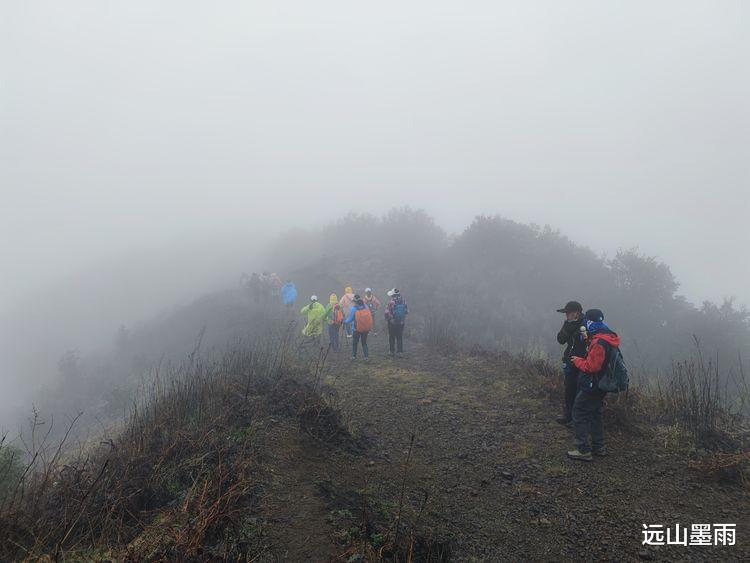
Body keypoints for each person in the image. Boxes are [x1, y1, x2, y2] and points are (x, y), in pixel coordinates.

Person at [567, 309, 620, 462]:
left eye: (587, 321)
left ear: (590, 322)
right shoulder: (608, 337)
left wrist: (577, 361)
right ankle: (599, 447)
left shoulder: (599, 342)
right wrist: (588, 341)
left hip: (593, 384)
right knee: (595, 414)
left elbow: (592, 367)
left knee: (579, 411)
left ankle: (582, 449)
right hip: (601, 384)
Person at [555, 301, 586, 426]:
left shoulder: (586, 325)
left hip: (582, 363)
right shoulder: (568, 324)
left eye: (568, 313)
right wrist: (567, 327)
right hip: (569, 362)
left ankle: (577, 420)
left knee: (580, 392)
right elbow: (560, 340)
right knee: (569, 390)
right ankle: (568, 416)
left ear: (576, 313)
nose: (566, 315)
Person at [345, 295, 373, 361]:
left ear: (355, 301)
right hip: (365, 328)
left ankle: (354, 356)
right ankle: (366, 357)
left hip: (356, 329)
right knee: (364, 343)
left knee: (355, 342)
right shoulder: (366, 306)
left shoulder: (354, 308)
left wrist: (345, 321)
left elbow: (350, 319)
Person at [384, 288, 408, 357]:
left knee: (392, 337)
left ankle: (392, 351)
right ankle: (400, 352)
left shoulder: (391, 302)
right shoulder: (403, 301)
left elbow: (387, 312)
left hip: (392, 322)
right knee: (399, 337)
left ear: (393, 295)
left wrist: (388, 319)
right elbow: (406, 311)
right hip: (401, 322)